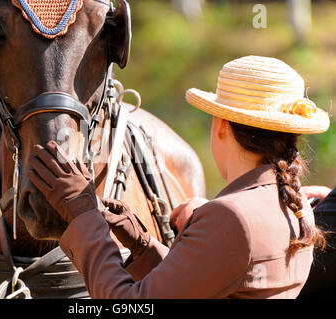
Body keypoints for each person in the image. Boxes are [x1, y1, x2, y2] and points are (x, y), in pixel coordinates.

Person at [27, 56, 330, 298]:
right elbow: (205, 282)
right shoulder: (296, 202)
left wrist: (84, 215)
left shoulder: (229, 217)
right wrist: (143, 244)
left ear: (221, 126)